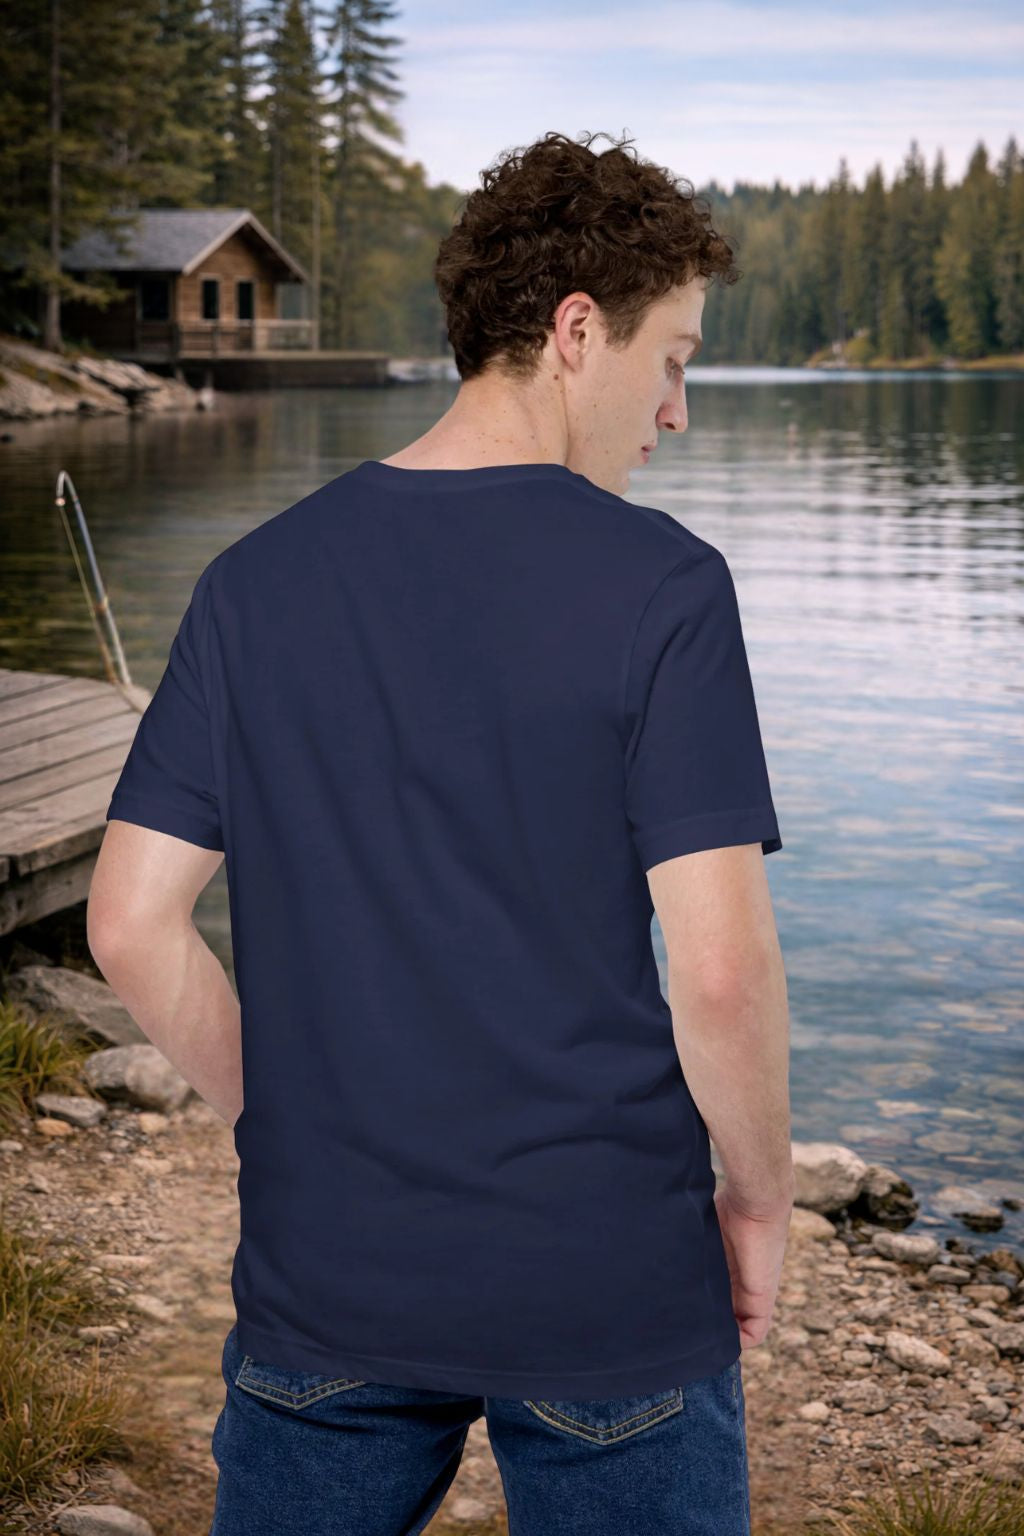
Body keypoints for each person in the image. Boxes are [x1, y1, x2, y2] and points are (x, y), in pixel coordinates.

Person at [87, 128, 795, 1536]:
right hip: (604, 1276)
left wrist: (281, 1123)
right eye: (673, 360)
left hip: (328, 1273)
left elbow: (128, 924)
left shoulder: (252, 583)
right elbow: (718, 975)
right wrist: (761, 1204)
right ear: (577, 333)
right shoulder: (664, 588)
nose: (676, 413)